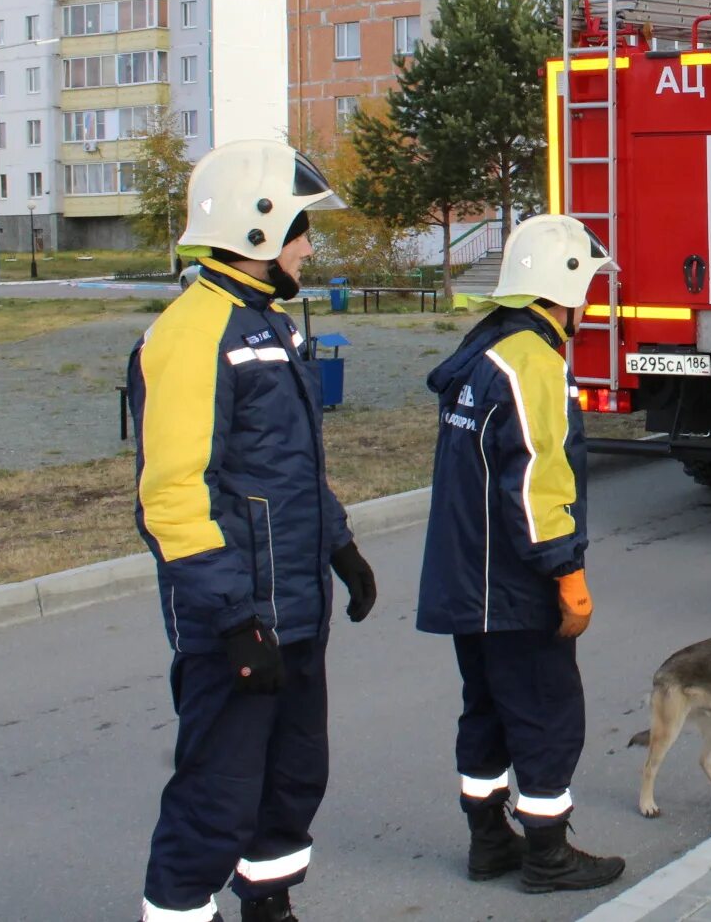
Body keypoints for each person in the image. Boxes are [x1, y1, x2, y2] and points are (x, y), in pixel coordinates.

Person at [131, 140, 377, 922]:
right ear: (259, 228)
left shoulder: (267, 322)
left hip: (295, 609)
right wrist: (234, 621)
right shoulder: (194, 330)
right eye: (301, 228)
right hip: (239, 620)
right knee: (216, 798)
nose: (309, 244)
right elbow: (172, 496)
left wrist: (340, 544)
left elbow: (290, 469)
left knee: (291, 780)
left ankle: (268, 906)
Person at [417, 213, 624, 893]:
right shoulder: (534, 361)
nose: (589, 299)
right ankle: (546, 853)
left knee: (486, 710)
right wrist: (567, 572)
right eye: (586, 284)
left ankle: (488, 841)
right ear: (560, 285)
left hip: (466, 582)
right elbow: (537, 481)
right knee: (547, 713)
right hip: (513, 582)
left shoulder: (485, 352)